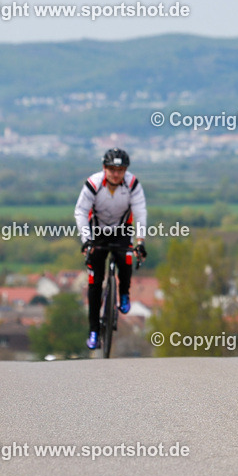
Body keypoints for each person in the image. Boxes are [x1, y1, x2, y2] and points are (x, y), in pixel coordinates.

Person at [74, 148, 148, 350]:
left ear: (126, 170)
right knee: (95, 283)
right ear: (104, 168)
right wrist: (86, 240)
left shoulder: (132, 184)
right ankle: (94, 330)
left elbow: (140, 212)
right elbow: (81, 211)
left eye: (121, 170)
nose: (116, 174)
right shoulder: (93, 184)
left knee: (126, 258)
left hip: (122, 229)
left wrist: (140, 241)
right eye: (112, 169)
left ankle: (124, 293)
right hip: (97, 231)